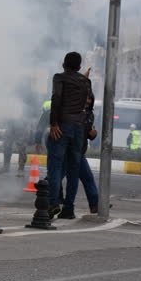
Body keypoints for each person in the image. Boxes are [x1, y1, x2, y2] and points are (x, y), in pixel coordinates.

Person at [46, 52, 92, 220]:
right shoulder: (85, 82)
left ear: (63, 64)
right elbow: (88, 103)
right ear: (79, 67)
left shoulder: (59, 78)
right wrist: (84, 78)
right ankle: (68, 208)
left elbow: (56, 98)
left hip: (62, 125)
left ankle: (52, 203)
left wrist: (53, 123)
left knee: (55, 165)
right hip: (79, 128)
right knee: (74, 168)